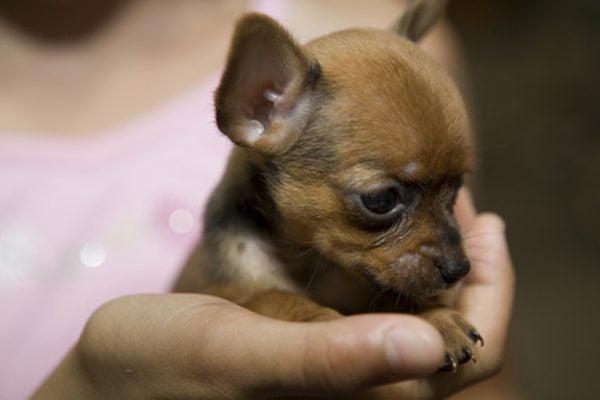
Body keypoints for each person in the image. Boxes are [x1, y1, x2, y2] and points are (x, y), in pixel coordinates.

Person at [0, 1, 514, 399]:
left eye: (451, 193)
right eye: (382, 202)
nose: (454, 257)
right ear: (259, 104)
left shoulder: (379, 32)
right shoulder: (289, 93)